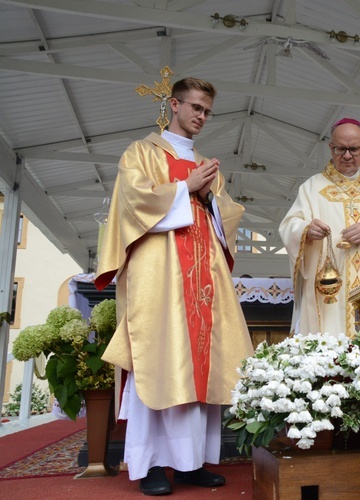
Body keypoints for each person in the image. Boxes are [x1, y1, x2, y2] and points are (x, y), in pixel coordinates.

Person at [94, 77, 255, 495]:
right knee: (159, 359)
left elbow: (228, 214)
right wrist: (186, 188)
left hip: (204, 279)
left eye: (207, 111)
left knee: (201, 366)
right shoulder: (142, 153)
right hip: (161, 275)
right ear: (174, 104)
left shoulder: (205, 163)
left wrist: (211, 199)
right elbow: (132, 200)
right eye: (196, 108)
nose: (202, 117)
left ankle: (189, 464)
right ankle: (149, 466)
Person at [279, 118, 360, 335]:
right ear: (331, 148)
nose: (347, 156)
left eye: (354, 149)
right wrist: (306, 231)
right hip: (328, 291)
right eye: (341, 149)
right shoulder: (312, 187)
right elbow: (289, 226)